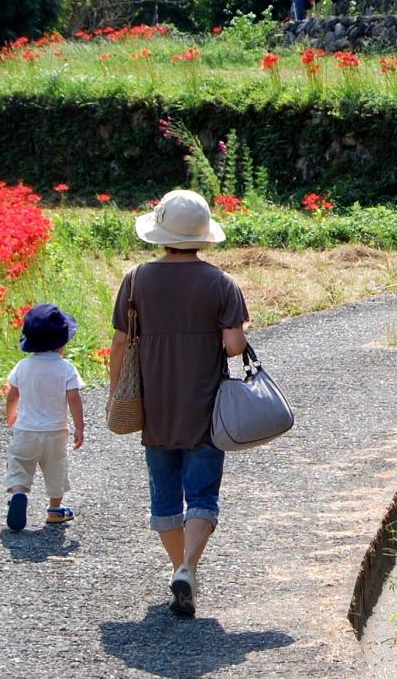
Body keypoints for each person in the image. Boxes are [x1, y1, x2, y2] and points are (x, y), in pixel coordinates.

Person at [109, 190, 249, 619]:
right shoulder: (222, 284)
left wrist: (116, 389)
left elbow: (118, 342)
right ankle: (188, 566)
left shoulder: (135, 280)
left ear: (161, 234)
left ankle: (179, 569)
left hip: (154, 407)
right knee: (203, 493)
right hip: (205, 407)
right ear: (203, 237)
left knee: (165, 498)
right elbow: (233, 347)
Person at [3, 304, 85, 532]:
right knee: (55, 470)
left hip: (26, 430)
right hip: (56, 432)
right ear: (61, 343)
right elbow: (74, 398)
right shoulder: (66, 368)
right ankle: (55, 510)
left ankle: (19, 493)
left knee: (19, 464)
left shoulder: (23, 366)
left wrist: (11, 414)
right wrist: (79, 426)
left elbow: (13, 394)